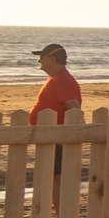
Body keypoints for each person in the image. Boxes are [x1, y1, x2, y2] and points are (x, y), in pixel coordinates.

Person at [30, 43, 83, 175]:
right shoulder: (56, 78)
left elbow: (74, 110)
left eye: (43, 57)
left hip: (57, 139)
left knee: (55, 178)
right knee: (51, 177)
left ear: (52, 59)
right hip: (50, 137)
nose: (39, 61)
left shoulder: (62, 79)